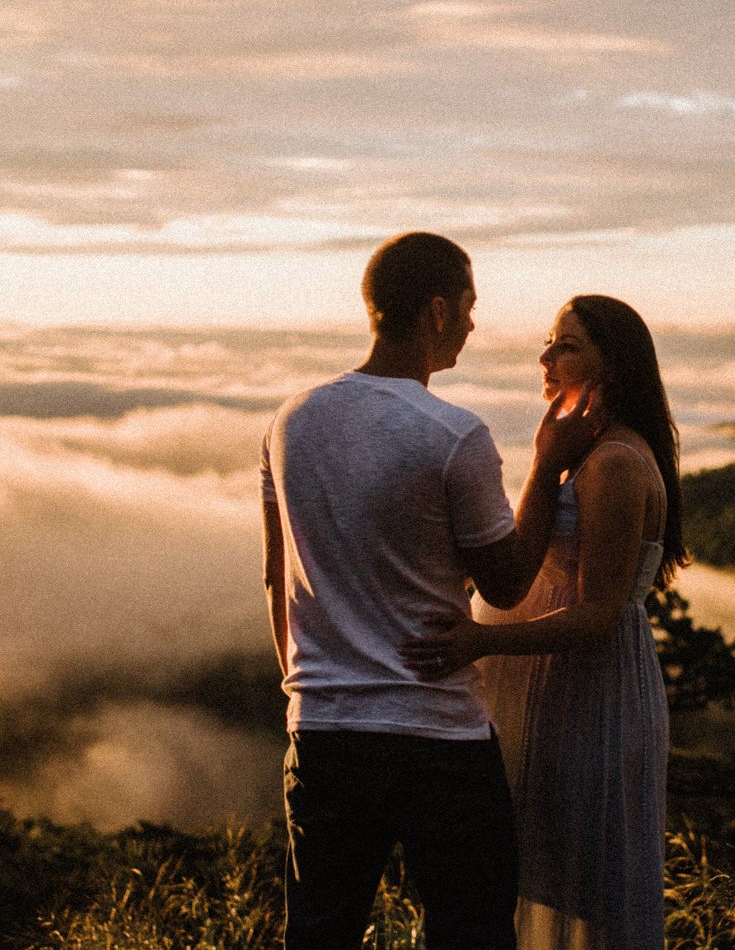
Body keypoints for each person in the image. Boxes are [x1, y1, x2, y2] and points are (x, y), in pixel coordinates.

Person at [261, 232, 604, 950]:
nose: (475, 325)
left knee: (318, 935)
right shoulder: (451, 434)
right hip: (434, 734)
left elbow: (275, 575)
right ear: (439, 311)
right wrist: (547, 467)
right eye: (471, 306)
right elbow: (507, 583)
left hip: (321, 730)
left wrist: (310, 684)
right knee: (470, 932)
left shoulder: (289, 421)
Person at [401, 295, 687, 950]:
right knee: (528, 876)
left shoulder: (615, 462)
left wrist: (482, 640)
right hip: (550, 692)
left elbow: (600, 614)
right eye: (551, 341)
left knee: (583, 890)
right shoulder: (588, 451)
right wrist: (547, 455)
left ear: (611, 367)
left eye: (567, 345)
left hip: (586, 696)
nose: (546, 357)